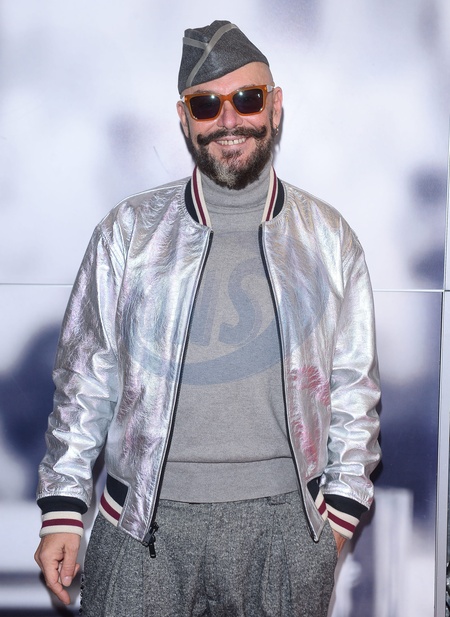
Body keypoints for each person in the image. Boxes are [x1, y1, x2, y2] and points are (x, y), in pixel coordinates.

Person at [34, 20, 381, 617]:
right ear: (184, 117)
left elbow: (355, 390)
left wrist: (338, 519)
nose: (228, 120)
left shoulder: (329, 239)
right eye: (206, 105)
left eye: (247, 99)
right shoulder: (128, 233)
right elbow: (84, 379)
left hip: (287, 532)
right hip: (141, 525)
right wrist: (64, 510)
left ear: (275, 106)